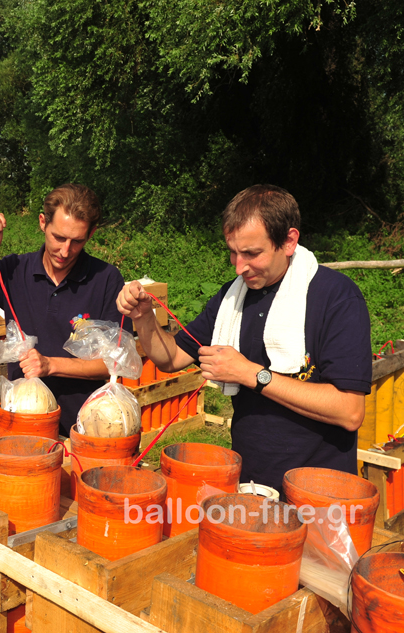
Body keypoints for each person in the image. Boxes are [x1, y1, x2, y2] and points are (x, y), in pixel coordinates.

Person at [116, 184, 371, 493]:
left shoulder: (336, 298)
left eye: (251, 253)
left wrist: (251, 374)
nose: (239, 267)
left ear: (289, 241)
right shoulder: (231, 300)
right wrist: (143, 318)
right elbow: (171, 358)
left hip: (318, 493)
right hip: (250, 483)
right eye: (233, 252)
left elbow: (350, 411)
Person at [0, 184, 127, 435]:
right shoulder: (14, 269)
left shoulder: (106, 279)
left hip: (85, 429)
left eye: (77, 241)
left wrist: (50, 365)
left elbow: (114, 363)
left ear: (91, 234)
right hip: (23, 422)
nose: (65, 251)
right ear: (43, 223)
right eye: (58, 237)